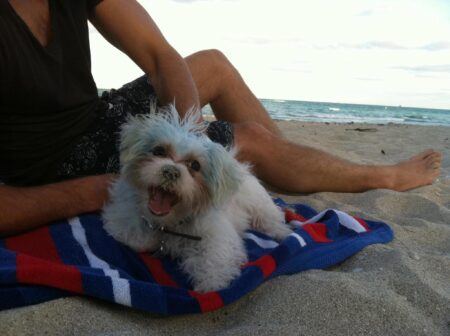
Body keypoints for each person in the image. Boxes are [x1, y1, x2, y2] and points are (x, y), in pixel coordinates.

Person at [0, 0, 442, 237]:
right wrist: (88, 192)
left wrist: (189, 136)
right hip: (45, 166)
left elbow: (160, 55)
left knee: (212, 64)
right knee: (246, 138)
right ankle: (379, 176)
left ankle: (270, 172)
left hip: (91, 120)